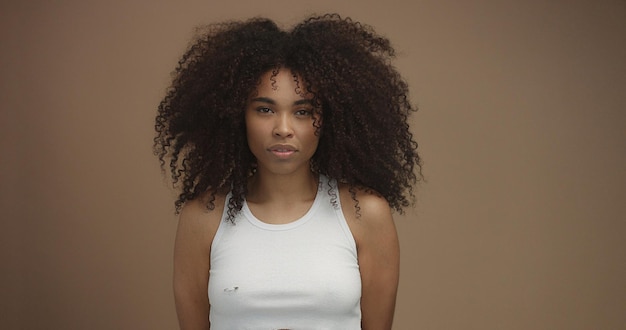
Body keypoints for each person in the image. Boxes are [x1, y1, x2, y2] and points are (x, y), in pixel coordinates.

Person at [154, 13, 421, 330]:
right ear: (236, 116)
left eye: (303, 112)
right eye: (265, 109)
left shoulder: (366, 214)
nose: (283, 129)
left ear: (331, 119)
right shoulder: (203, 217)